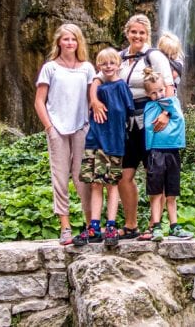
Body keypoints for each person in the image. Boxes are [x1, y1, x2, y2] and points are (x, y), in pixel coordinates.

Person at [34, 23, 94, 245]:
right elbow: (39, 101)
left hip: (81, 127)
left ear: (79, 42)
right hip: (57, 128)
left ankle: (91, 225)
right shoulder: (50, 68)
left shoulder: (87, 68)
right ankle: (65, 226)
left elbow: (93, 97)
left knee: (83, 178)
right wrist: (49, 128)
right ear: (59, 41)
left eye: (74, 39)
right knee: (59, 177)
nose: (70, 43)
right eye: (66, 39)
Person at [117, 14, 175, 239]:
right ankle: (131, 224)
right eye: (134, 32)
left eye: (141, 32)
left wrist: (166, 113)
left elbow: (169, 86)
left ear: (147, 34)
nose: (137, 36)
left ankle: (155, 224)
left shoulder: (155, 56)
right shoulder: (120, 57)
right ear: (127, 32)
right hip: (126, 121)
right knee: (124, 174)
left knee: (154, 172)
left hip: (151, 119)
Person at [73, 47, 135, 248]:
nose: (108, 66)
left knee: (112, 184)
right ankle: (94, 226)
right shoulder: (96, 89)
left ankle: (110, 225)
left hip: (115, 143)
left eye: (112, 63)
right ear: (98, 66)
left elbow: (128, 114)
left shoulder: (122, 87)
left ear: (119, 65)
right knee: (96, 184)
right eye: (104, 63)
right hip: (95, 140)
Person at [138, 68, 194, 241]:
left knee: (172, 192)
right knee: (156, 191)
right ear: (148, 94)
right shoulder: (150, 106)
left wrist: (166, 110)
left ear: (166, 88)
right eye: (153, 93)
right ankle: (156, 226)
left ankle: (174, 225)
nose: (159, 95)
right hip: (156, 152)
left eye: (161, 90)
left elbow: (179, 120)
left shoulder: (173, 102)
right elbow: (151, 126)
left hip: (173, 151)